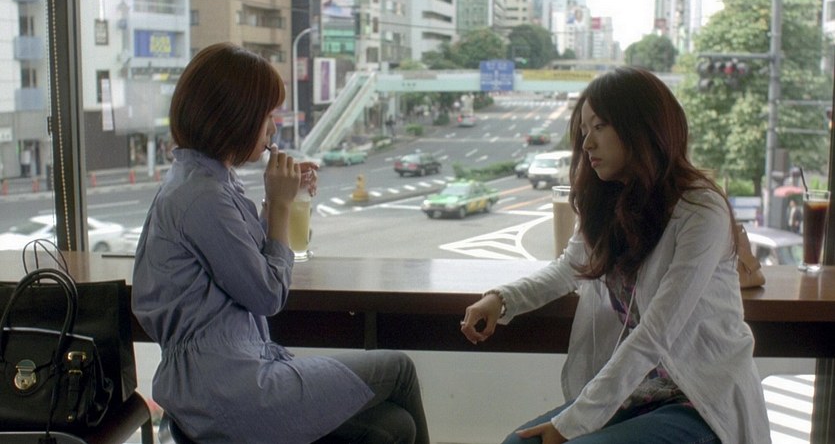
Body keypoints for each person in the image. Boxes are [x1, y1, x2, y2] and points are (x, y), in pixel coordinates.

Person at [132, 42, 429, 444]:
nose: (273, 128)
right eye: (267, 115)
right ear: (235, 117)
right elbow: (268, 293)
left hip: (219, 382)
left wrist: (276, 200)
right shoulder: (203, 197)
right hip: (231, 391)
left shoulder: (201, 181)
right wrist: (281, 205)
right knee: (399, 370)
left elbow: (243, 260)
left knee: (394, 427)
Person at [460, 67, 770, 444]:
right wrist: (501, 299)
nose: (587, 142)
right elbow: (568, 269)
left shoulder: (700, 209)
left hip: (699, 399)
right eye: (584, 130)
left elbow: (657, 331)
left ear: (642, 128)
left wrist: (571, 424)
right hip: (636, 393)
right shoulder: (610, 201)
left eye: (600, 126)